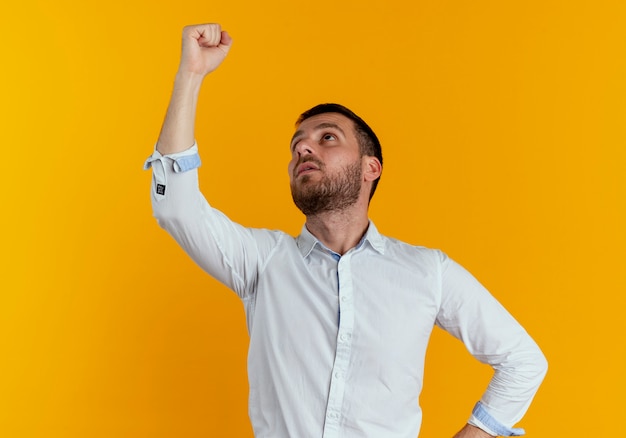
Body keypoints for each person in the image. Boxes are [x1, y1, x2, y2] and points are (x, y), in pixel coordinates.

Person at [144, 23, 547, 438]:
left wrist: (477, 432)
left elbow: (523, 360)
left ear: (371, 168)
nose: (303, 148)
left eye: (327, 138)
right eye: (297, 144)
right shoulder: (263, 262)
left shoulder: (429, 272)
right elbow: (176, 206)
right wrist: (190, 75)